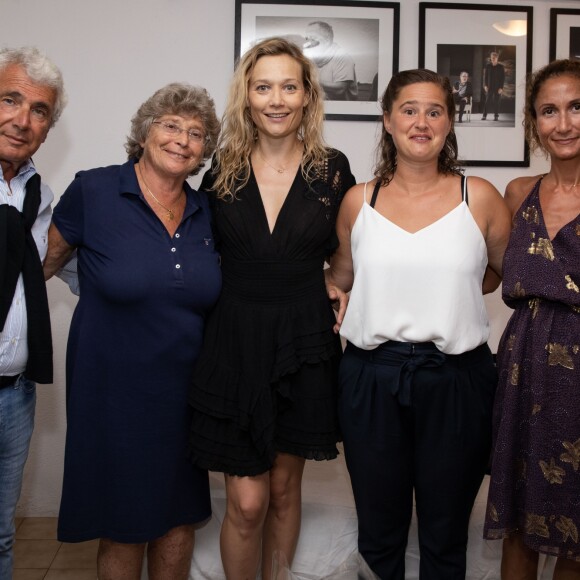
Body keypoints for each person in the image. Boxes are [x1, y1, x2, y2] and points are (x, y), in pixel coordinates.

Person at [325, 68, 511, 579]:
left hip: (457, 379)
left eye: (435, 111)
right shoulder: (359, 201)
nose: (421, 122)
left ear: (450, 123)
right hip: (370, 378)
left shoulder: (482, 198)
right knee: (379, 534)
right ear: (387, 120)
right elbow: (339, 277)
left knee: (446, 532)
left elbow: (499, 274)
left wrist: (445, 289)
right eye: (409, 110)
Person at [188, 37, 355, 580]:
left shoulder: (333, 170)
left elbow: (350, 254)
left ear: (308, 95)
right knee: (248, 502)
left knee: (284, 492)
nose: (276, 99)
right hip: (234, 341)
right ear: (247, 96)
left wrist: (337, 282)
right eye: (263, 87)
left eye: (289, 86)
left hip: (303, 342)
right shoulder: (221, 169)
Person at [42, 83, 221, 580]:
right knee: (123, 522)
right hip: (110, 388)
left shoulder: (208, 211)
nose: (182, 140)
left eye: (196, 133)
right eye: (170, 125)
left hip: (186, 391)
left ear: (205, 150)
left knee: (180, 514)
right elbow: (46, 263)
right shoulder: (95, 190)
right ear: (144, 132)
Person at [484, 59, 580, 579]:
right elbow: (477, 274)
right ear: (534, 122)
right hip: (522, 369)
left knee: (576, 531)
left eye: (576, 107)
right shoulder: (518, 193)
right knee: (517, 515)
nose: (563, 124)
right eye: (549, 111)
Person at [0, 46, 66, 579]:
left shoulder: (37, 195)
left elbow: (53, 267)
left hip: (16, 392)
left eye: (39, 110)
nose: (22, 119)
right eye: (10, 99)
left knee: (1, 533)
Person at [303, 21, 358, 101]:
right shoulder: (310, 57)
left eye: (313, 38)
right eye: (307, 38)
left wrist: (310, 81)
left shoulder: (343, 57)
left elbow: (340, 90)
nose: (308, 43)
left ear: (327, 39)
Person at [482, 51, 505, 121]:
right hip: (489, 87)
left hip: (498, 87)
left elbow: (502, 78)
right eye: (492, 58)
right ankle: (484, 116)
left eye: (494, 58)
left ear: (497, 58)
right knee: (487, 101)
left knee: (496, 102)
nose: (493, 59)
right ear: (491, 58)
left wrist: (501, 87)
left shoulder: (501, 67)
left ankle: (496, 116)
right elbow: (485, 77)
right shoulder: (488, 66)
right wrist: (485, 85)